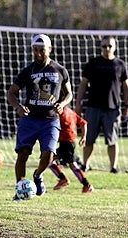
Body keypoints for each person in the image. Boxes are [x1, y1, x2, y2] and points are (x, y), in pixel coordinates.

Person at [7, 34, 73, 201]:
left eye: (41, 50)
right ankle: (20, 191)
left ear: (49, 50)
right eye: (35, 50)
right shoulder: (27, 71)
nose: (38, 54)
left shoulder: (60, 70)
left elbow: (69, 94)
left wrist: (62, 104)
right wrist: (18, 107)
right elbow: (11, 93)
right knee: (22, 154)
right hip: (29, 120)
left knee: (49, 155)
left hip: (50, 121)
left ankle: (37, 175)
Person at [75, 35, 128, 174]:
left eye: (110, 46)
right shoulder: (93, 64)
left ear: (115, 47)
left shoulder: (120, 65)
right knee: (89, 139)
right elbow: (83, 84)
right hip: (93, 107)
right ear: (100, 48)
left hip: (112, 108)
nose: (107, 49)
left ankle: (113, 167)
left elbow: (125, 86)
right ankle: (85, 165)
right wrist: (78, 103)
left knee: (112, 140)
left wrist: (127, 105)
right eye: (104, 46)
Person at [48, 105, 94, 193]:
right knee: (49, 159)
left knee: (70, 164)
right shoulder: (71, 112)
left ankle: (86, 185)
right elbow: (84, 123)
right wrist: (83, 137)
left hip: (67, 142)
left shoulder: (60, 113)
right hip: (69, 142)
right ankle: (64, 179)